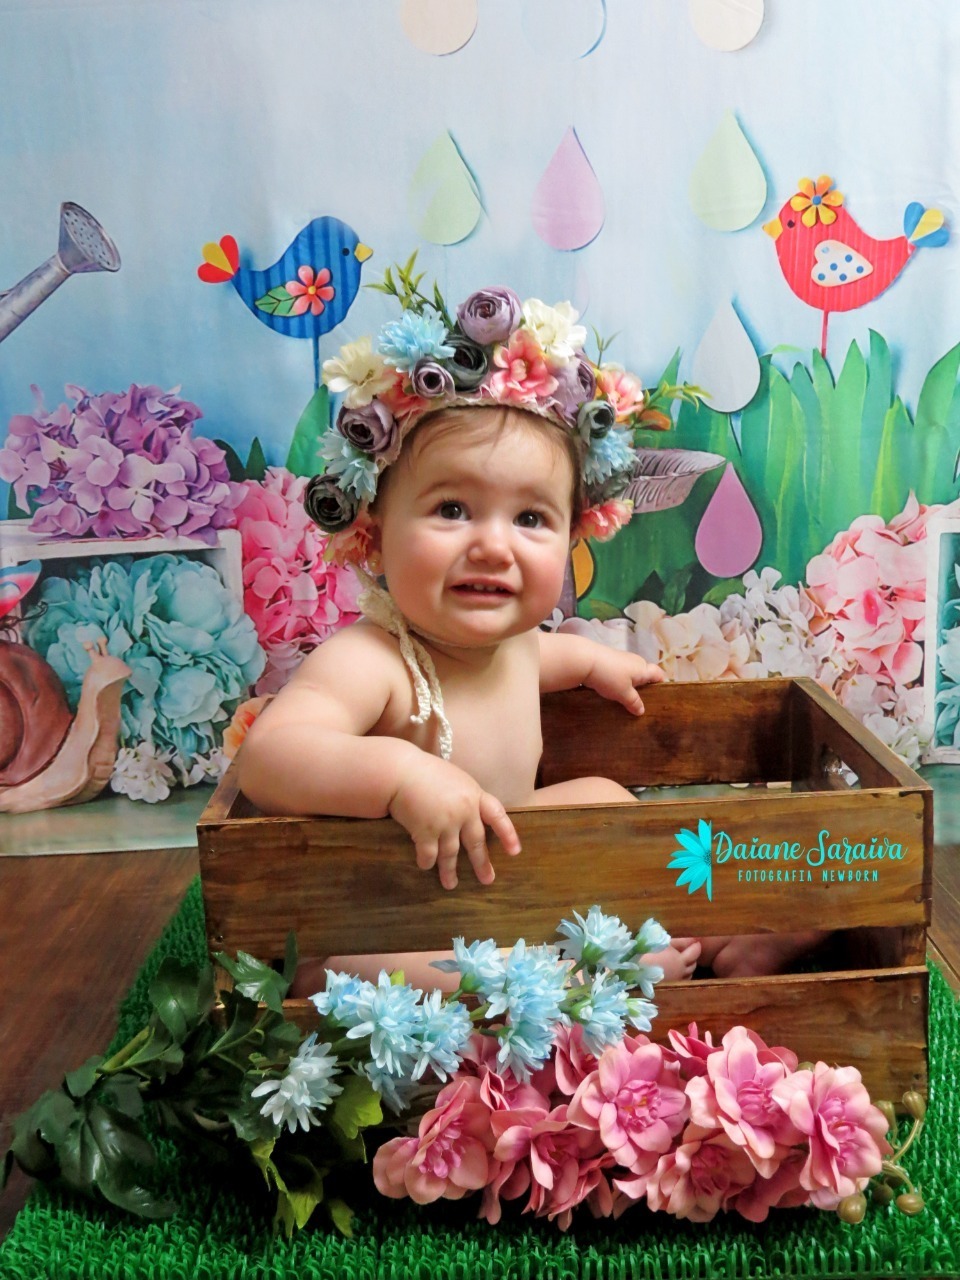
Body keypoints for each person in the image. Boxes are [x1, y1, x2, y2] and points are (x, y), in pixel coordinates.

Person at [238, 282, 702, 990]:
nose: (492, 546)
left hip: (495, 867)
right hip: (393, 909)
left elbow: (539, 656)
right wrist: (402, 776)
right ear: (374, 530)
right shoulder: (371, 661)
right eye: (452, 509)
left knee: (605, 797)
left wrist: (591, 663)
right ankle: (565, 980)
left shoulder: (513, 644)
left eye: (530, 519)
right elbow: (269, 759)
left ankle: (715, 930)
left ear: (572, 538)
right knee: (369, 969)